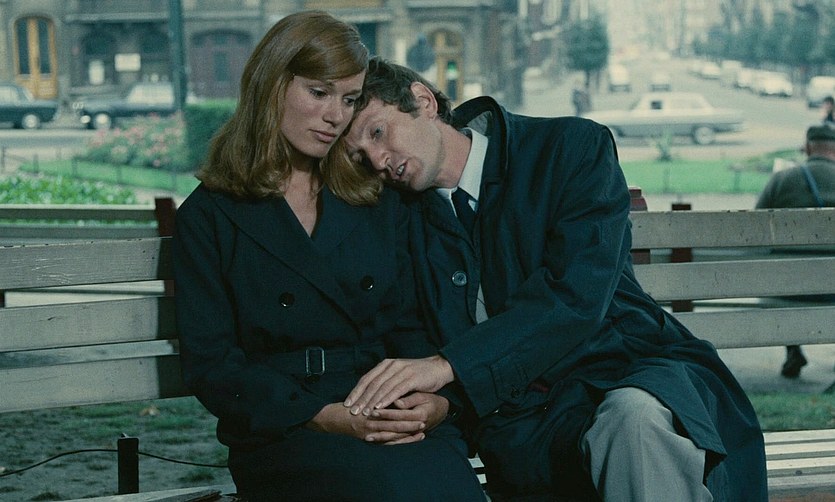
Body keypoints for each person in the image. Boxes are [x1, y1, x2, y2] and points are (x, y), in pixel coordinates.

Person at [342, 57, 768, 501]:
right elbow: (409, 326)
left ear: (423, 102)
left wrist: (448, 367)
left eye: (378, 132)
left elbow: (577, 296)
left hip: (626, 368)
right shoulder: (401, 217)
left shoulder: (570, 148)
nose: (378, 160)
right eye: (361, 157)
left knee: (636, 421)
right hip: (523, 419)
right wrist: (444, 401)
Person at [172, 14, 484, 501]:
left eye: (350, 99)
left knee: (443, 483)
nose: (336, 116)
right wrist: (325, 418)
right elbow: (212, 365)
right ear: (272, 85)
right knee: (390, 488)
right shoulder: (210, 216)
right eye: (319, 93)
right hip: (287, 425)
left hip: (387, 405)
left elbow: (414, 323)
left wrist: (434, 403)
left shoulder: (375, 197)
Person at [756, 124, 835, 378]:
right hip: (833, 290)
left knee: (785, 274)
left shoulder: (782, 180)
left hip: (788, 290)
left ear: (808, 147)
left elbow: (755, 229)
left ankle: (793, 350)